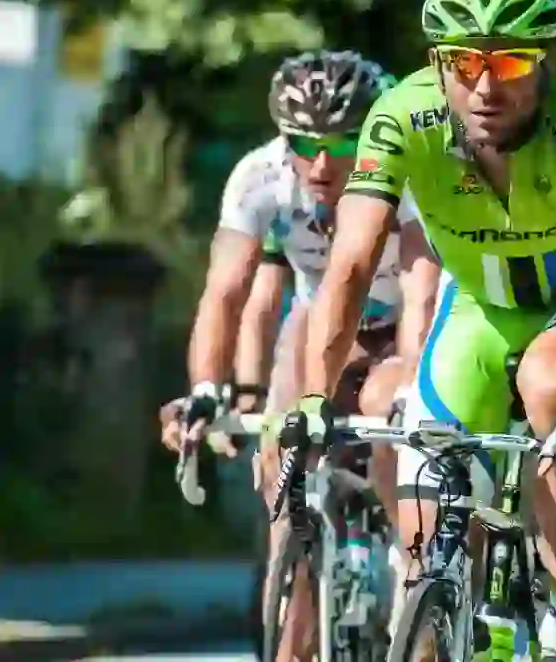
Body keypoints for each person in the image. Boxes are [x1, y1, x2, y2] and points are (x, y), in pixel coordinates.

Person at [282, 0, 556, 659]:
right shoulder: (400, 116)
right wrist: (311, 393)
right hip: (478, 308)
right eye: (461, 62)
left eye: (507, 63)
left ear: (546, 63)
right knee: (427, 544)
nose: (483, 85)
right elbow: (352, 264)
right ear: (435, 62)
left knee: (547, 388)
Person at [159, 51, 405, 662]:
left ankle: (416, 569)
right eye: (305, 143)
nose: (322, 164)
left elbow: (428, 290)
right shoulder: (259, 175)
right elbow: (227, 292)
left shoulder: (407, 170)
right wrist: (211, 388)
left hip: (409, 322)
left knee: (400, 435)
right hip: (325, 326)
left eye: (344, 143)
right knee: (283, 464)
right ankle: (293, 628)